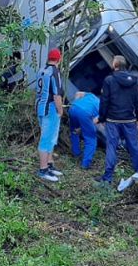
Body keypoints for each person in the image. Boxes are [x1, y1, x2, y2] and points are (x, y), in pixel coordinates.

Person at [96, 55, 138, 186]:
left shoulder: (109, 80)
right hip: (129, 120)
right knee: (134, 146)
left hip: (113, 120)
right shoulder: (133, 81)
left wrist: (101, 117)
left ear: (115, 65)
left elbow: (105, 100)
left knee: (111, 147)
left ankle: (107, 177)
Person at [35, 48, 64, 182]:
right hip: (50, 108)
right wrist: (60, 110)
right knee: (46, 139)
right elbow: (57, 95)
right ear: (59, 59)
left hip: (40, 106)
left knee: (51, 137)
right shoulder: (55, 72)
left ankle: (49, 164)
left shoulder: (41, 70)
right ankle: (43, 170)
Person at [68, 90, 100, 169]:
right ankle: (85, 165)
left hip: (73, 108)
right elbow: (94, 121)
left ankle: (76, 154)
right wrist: (81, 129)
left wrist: (75, 103)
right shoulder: (105, 108)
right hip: (85, 113)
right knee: (91, 139)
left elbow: (78, 93)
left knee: (74, 132)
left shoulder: (92, 96)